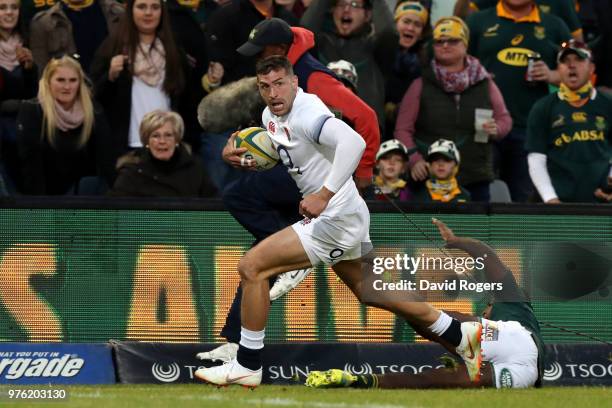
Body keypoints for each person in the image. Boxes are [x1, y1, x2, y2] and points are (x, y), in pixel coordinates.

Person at [194, 55, 484, 388]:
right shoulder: (269, 115)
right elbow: (284, 149)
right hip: (347, 214)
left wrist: (324, 194)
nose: (273, 93)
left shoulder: (309, 111)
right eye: (265, 87)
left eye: (279, 84)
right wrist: (241, 157)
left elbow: (354, 142)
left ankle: (247, 363)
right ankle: (462, 335)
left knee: (252, 266)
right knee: (371, 292)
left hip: (335, 216)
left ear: (294, 83)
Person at [196, 19, 380, 364]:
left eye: (261, 52)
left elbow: (365, 118)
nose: (257, 62)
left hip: (326, 187)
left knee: (240, 198)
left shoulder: (313, 77)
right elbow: (269, 126)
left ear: (280, 52)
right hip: (299, 179)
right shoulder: (276, 82)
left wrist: (364, 170)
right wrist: (232, 148)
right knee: (261, 258)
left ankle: (296, 257)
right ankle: (236, 343)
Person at [306, 218, 544, 389]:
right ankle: (360, 380)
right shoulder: (504, 315)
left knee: (423, 320)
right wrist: (456, 242)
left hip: (520, 352)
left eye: (487, 307)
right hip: (523, 370)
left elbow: (486, 255)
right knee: (424, 340)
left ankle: (354, 261)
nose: (485, 310)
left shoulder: (512, 300)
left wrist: (457, 241)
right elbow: (485, 254)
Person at [394, 16, 512, 202]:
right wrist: (414, 159)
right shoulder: (420, 83)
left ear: (465, 44)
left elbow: (505, 119)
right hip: (430, 179)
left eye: (453, 40)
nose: (445, 45)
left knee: (474, 231)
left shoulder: (485, 82)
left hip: (475, 176)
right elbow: (402, 129)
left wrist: (497, 128)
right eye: (439, 42)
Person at [466, 0, 572, 202]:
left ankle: (517, 234)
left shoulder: (554, 25)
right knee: (478, 194)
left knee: (523, 199)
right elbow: (458, 62)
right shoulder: (478, 21)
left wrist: (551, 75)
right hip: (484, 125)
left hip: (530, 127)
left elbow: (577, 70)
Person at [91, 0, 199, 155]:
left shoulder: (174, 50)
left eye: (155, 7)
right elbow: (94, 96)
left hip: (168, 147)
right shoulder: (113, 47)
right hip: (127, 149)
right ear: (130, 11)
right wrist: (110, 76)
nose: (148, 13)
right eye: (142, 7)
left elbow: (187, 99)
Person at [526, 40, 612, 203]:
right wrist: (550, 199)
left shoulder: (608, 104)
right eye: (565, 61)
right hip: (559, 204)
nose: (571, 66)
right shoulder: (543, 107)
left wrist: (610, 185)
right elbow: (536, 158)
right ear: (559, 69)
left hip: (600, 202)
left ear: (591, 68)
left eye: (579, 60)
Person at [16, 55, 116, 195]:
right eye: (60, 80)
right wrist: (40, 209)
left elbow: (105, 160)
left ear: (80, 83)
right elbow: (31, 165)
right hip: (45, 196)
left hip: (84, 197)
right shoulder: (32, 110)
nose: (67, 87)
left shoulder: (93, 110)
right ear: (48, 82)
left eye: (73, 80)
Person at [300, 0, 395, 129]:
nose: (346, 9)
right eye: (341, 4)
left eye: (354, 5)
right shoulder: (321, 45)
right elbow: (305, 28)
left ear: (367, 15)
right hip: (320, 132)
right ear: (332, 11)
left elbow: (388, 32)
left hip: (366, 136)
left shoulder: (376, 51)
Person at [109, 109, 216, 197]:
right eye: (155, 136)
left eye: (168, 135)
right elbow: (115, 212)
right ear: (147, 141)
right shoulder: (132, 171)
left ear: (177, 140)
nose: (162, 141)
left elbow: (213, 205)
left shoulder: (195, 168)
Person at [0, 0, 38, 192]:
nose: (9, 13)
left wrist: (30, 69)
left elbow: (37, 93)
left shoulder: (31, 42)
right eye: (2, 8)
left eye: (14, 7)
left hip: (26, 128)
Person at [29, 0, 124, 73]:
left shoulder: (118, 14)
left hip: (113, 92)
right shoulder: (43, 23)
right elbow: (42, 75)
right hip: (66, 93)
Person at [379, 1, 428, 140]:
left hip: (405, 133)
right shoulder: (379, 54)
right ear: (395, 24)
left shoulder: (423, 64)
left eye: (417, 25)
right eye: (406, 21)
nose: (411, 28)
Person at [454, 0, 582, 40]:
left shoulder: (560, 6)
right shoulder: (477, 20)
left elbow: (577, 43)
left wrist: (554, 76)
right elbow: (463, 15)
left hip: (543, 92)